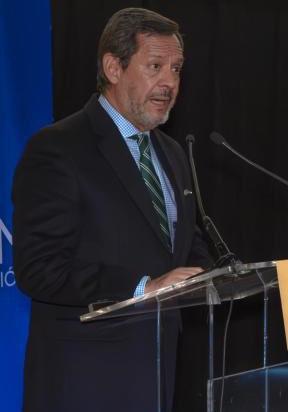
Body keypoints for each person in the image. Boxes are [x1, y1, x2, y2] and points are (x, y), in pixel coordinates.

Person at [12, 8, 211, 411]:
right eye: (155, 66)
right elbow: (40, 268)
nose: (170, 82)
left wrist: (219, 275)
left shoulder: (171, 152)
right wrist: (143, 287)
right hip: (84, 384)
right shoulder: (58, 149)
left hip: (156, 377)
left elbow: (182, 247)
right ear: (113, 68)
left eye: (176, 69)